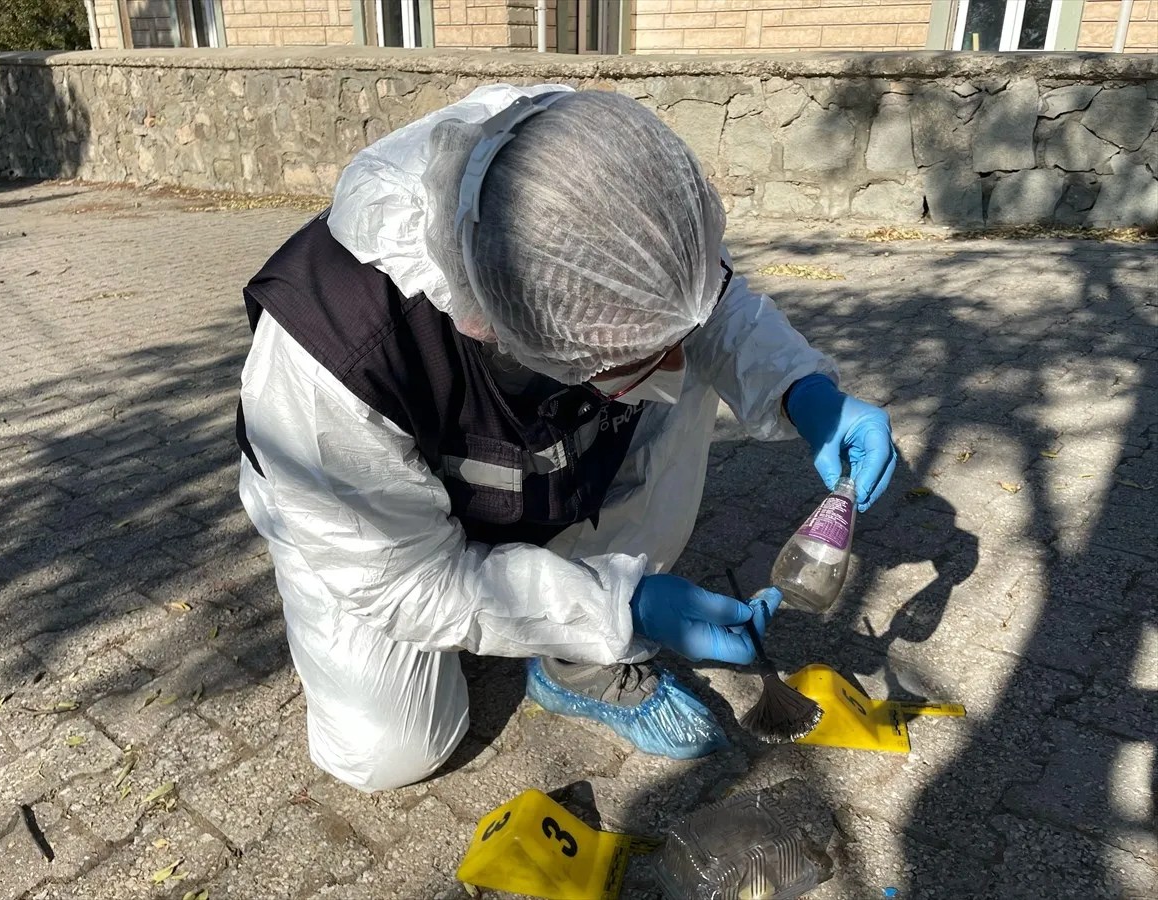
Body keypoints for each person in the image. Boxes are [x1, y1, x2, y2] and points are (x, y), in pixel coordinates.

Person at [236, 84, 896, 792]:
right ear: (495, 328)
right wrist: (620, 607)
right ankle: (543, 600)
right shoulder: (333, 363)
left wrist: (802, 389)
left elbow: (706, 304)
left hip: (533, 462)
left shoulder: (598, 177)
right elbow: (408, 580)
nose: (675, 363)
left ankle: (574, 664)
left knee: (681, 358)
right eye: (634, 357)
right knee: (386, 752)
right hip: (373, 528)